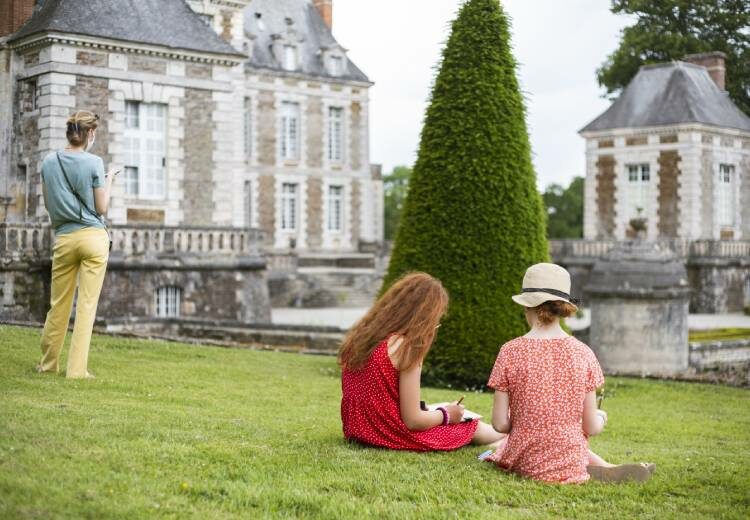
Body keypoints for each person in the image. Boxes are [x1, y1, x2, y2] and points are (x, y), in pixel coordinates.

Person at [484, 263, 654, 483]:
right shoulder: (584, 353)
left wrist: (521, 420)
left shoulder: (509, 350)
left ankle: (602, 467)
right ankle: (605, 467)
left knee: (510, 443)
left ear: (527, 307)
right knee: (565, 438)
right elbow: (590, 427)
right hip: (571, 458)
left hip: (524, 461)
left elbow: (499, 425)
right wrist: (601, 418)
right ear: (563, 309)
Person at [339, 272, 504, 451]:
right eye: (436, 321)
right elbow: (413, 421)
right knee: (473, 426)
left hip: (358, 431)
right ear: (424, 318)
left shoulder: (361, 339)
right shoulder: (407, 347)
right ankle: (508, 433)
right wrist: (447, 414)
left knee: (437, 412)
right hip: (387, 434)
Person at [36, 110, 117, 379]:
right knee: (86, 305)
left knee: (58, 303)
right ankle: (76, 370)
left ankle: (48, 364)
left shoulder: (48, 162)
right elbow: (101, 207)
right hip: (93, 238)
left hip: (65, 238)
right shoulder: (94, 162)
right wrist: (110, 180)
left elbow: (49, 205)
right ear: (90, 134)